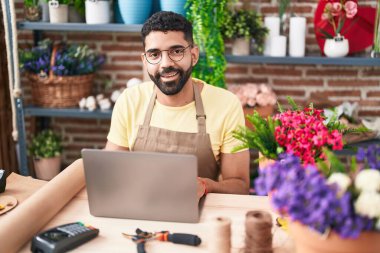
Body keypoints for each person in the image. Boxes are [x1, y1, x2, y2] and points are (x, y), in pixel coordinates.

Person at [105, 11, 249, 199]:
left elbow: (240, 186)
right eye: (154, 54)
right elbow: (110, 172)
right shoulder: (130, 101)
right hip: (139, 212)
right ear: (145, 61)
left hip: (200, 217)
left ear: (194, 55)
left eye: (176, 51)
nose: (166, 63)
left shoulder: (226, 105)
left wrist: (206, 186)